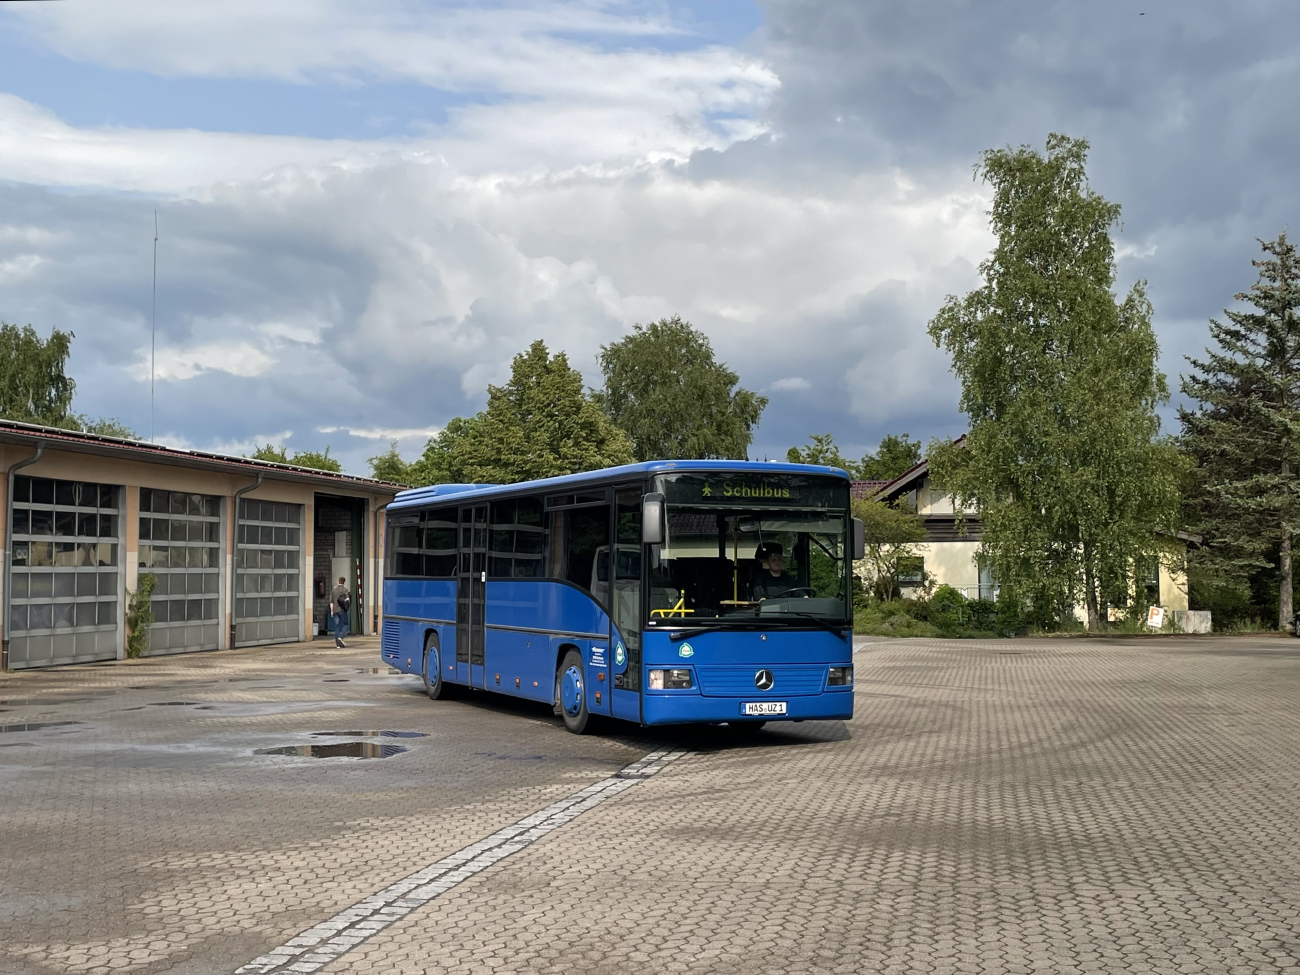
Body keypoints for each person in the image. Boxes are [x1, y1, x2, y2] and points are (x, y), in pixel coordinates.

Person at [330, 576, 351, 648]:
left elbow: (331, 602)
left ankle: (337, 644)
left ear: (338, 581)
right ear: (344, 582)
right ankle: (341, 637)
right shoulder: (345, 590)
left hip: (335, 610)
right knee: (345, 624)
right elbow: (347, 600)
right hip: (342, 610)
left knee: (337, 627)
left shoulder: (334, 590)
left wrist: (332, 611)